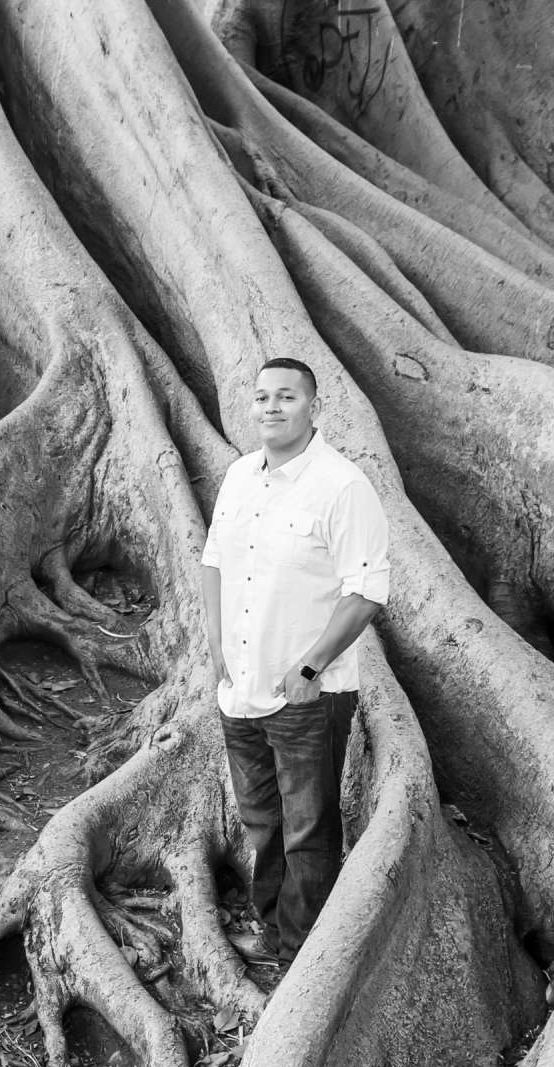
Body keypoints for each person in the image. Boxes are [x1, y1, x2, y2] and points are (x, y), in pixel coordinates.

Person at [199, 357, 390, 964]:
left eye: (286, 397)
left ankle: (302, 952)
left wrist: (309, 669)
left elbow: (365, 593)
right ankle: (273, 929)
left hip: (309, 693)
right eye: (261, 398)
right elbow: (214, 564)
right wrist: (215, 648)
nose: (272, 408)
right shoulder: (237, 478)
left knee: (308, 828)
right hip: (241, 688)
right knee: (262, 822)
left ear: (313, 406)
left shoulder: (342, 487)